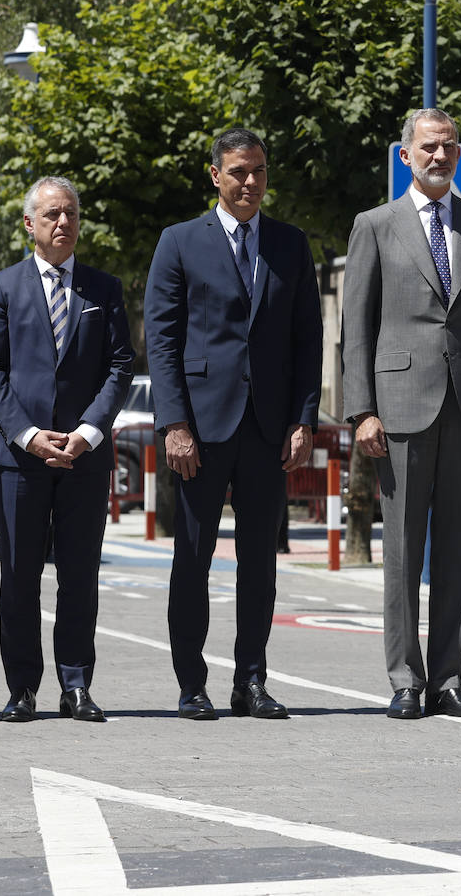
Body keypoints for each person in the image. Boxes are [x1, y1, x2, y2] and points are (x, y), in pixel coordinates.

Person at [342, 107, 461, 721]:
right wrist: (360, 409)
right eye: (430, 147)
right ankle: (405, 679)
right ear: (405, 156)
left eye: (450, 147)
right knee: (402, 551)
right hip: (398, 411)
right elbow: (355, 327)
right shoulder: (376, 225)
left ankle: (447, 678)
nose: (440, 157)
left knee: (460, 550)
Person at [145, 128, 323, 721]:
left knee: (260, 564)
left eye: (260, 172)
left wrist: (303, 420)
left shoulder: (291, 245)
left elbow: (307, 342)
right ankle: (191, 683)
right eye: (239, 172)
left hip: (268, 429)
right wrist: (174, 423)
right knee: (192, 559)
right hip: (199, 428)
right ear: (215, 175)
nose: (251, 182)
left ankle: (251, 681)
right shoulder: (178, 243)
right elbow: (163, 344)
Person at [0, 177, 135, 723]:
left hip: (85, 457)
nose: (62, 223)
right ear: (29, 225)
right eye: (51, 215)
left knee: (79, 574)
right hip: (20, 457)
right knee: (19, 574)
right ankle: (22, 688)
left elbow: (120, 366)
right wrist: (28, 434)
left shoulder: (103, 289)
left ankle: (77, 685)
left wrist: (88, 432)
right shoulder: (0, 287)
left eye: (69, 213)